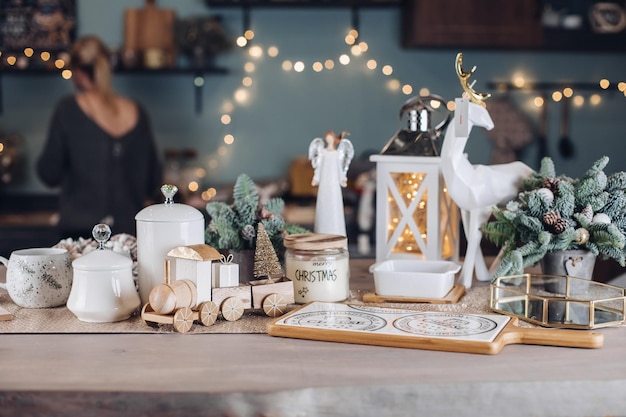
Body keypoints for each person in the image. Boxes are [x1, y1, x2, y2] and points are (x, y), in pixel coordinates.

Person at [37, 35, 162, 239]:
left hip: (81, 233)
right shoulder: (137, 110)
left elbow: (49, 174)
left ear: (77, 73)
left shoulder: (68, 109)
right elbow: (153, 180)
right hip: (129, 233)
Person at [308, 130, 354, 237]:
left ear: (333, 139)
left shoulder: (337, 154)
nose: (328, 140)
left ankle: (335, 233)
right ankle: (321, 233)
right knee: (324, 203)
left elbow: (339, 168)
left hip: (333, 182)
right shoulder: (323, 153)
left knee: (334, 204)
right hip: (324, 182)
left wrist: (342, 178)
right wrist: (316, 178)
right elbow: (319, 168)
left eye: (330, 138)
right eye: (327, 138)